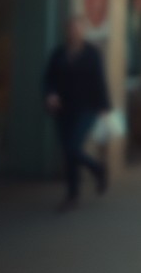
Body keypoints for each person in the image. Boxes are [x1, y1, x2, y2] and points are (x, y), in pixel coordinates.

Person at [43, 16, 110, 212]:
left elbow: (99, 80)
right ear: (67, 32)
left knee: (72, 147)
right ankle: (72, 195)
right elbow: (48, 78)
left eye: (77, 29)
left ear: (83, 32)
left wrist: (104, 107)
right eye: (71, 29)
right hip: (63, 109)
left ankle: (97, 169)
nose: (74, 33)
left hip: (86, 108)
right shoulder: (58, 53)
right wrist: (50, 95)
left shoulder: (92, 54)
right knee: (68, 152)